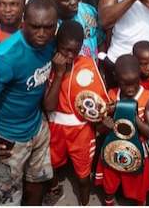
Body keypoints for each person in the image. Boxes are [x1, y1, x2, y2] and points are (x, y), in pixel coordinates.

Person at [0, 0, 58, 205]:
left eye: (48, 27)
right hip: (9, 138)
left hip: (37, 127)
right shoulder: (6, 57)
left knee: (37, 181)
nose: (42, 33)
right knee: (7, 197)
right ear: (24, 22)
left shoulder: (51, 44)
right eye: (35, 26)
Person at [43, 20, 102, 206]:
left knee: (83, 177)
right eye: (65, 49)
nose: (69, 55)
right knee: (48, 167)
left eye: (74, 51)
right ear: (56, 44)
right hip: (54, 127)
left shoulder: (88, 65)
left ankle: (84, 203)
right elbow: (49, 106)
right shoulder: (49, 65)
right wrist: (59, 74)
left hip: (81, 131)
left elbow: (98, 104)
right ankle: (55, 190)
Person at [94, 54, 149, 205]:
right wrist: (106, 125)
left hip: (137, 150)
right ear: (116, 78)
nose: (130, 89)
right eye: (125, 84)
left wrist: (131, 114)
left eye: (134, 83)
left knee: (137, 184)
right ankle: (108, 202)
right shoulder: (112, 94)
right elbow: (98, 128)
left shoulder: (148, 98)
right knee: (110, 181)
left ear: (139, 77)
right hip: (112, 148)